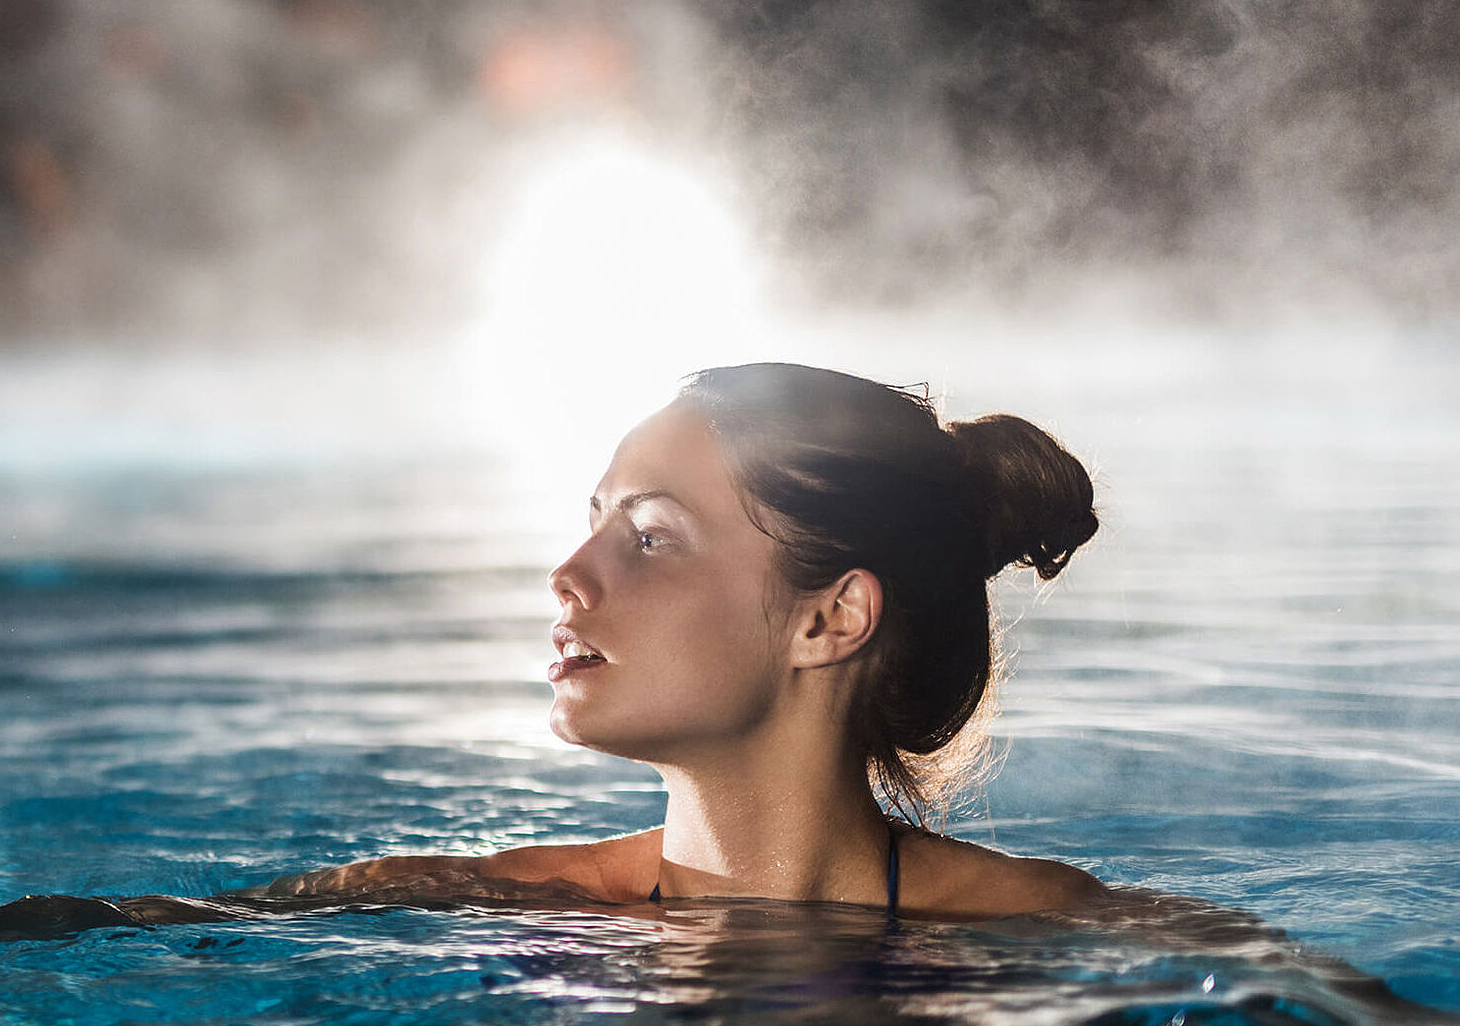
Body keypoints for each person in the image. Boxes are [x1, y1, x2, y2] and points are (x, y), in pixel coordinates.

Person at [250, 362, 1106, 919]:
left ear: (830, 618)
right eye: (593, 523)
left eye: (651, 537)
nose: (569, 574)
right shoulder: (446, 904)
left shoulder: (1060, 931)